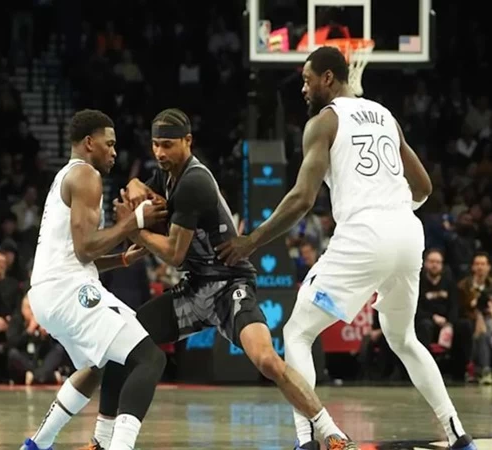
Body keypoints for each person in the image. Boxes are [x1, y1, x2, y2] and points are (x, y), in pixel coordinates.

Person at [216, 47, 477, 450]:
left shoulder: (324, 121)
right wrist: (392, 210)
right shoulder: (386, 116)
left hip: (365, 234)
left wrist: (251, 240)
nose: (303, 88)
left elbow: (302, 199)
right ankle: (458, 434)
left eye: (307, 80)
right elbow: (424, 187)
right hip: (408, 234)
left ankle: (306, 440)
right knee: (404, 338)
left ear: (328, 78)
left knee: (297, 332)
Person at [79, 108, 348, 450]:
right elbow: (139, 187)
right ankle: (101, 441)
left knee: (267, 360)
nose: (159, 152)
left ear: (188, 141)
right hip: (194, 287)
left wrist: (133, 229)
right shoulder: (167, 174)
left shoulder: (194, 182)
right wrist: (133, 186)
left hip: (229, 284)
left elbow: (174, 254)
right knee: (122, 343)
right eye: (155, 144)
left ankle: (332, 432)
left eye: (167, 145)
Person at [19, 109, 168, 450]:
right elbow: (85, 248)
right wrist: (134, 221)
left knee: (98, 365)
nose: (114, 152)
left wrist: (121, 258)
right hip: (67, 290)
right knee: (150, 358)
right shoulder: (87, 175)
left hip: (49, 292)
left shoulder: (67, 176)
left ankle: (38, 444)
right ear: (89, 143)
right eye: (109, 144)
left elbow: (78, 253)